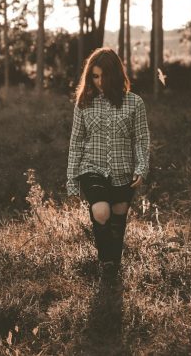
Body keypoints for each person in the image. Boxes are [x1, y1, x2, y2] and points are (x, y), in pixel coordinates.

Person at [66, 47, 150, 279]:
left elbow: (141, 139)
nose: (99, 81)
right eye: (94, 76)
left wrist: (141, 168)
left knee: (118, 217)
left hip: (123, 171)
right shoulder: (84, 104)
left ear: (115, 74)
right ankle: (106, 265)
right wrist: (72, 181)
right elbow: (76, 143)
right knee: (101, 211)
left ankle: (113, 265)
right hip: (91, 167)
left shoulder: (135, 103)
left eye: (104, 75)